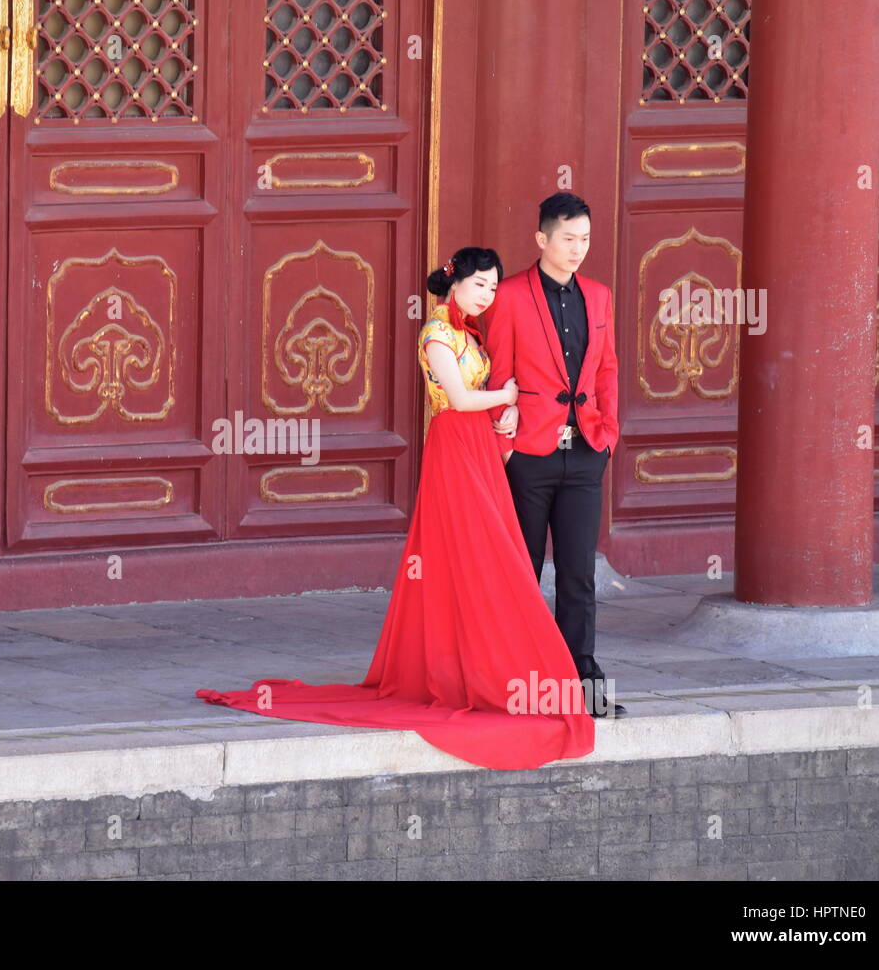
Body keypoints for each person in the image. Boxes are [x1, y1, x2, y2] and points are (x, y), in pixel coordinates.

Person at [195, 246, 595, 770]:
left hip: (477, 446)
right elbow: (456, 398)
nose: (488, 295)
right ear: (454, 286)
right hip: (454, 448)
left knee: (484, 559)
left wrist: (505, 413)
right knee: (482, 555)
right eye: (480, 285)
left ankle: (482, 670)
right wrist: (508, 398)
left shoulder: (468, 334)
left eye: (494, 287)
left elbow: (483, 400)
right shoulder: (436, 335)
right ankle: (473, 675)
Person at [486, 192, 625, 718]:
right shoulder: (511, 295)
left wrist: (607, 436)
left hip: (586, 452)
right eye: (568, 238)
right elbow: (498, 372)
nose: (577, 248)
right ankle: (515, 682)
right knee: (522, 572)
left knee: (577, 575)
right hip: (529, 456)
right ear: (542, 239)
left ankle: (580, 685)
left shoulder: (599, 295)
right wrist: (506, 441)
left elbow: (607, 370)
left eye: (585, 238)